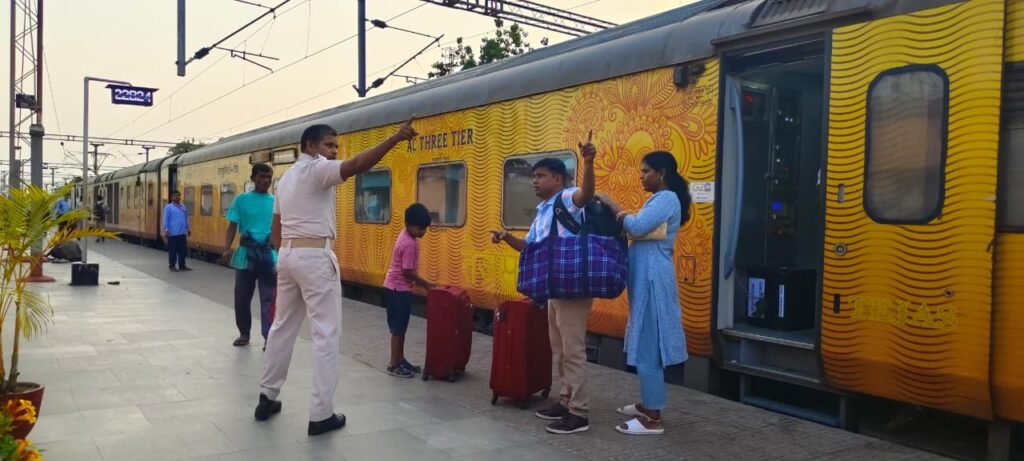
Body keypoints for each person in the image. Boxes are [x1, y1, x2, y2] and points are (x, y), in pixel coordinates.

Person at [255, 118, 418, 437]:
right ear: (310, 146)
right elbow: (356, 165)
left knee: (281, 327)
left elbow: (276, 226)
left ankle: (267, 396)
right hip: (315, 256)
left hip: (287, 254)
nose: (334, 151)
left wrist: (285, 257)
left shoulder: (284, 180)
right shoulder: (317, 168)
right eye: (329, 145)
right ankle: (321, 414)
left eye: (336, 146)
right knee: (326, 335)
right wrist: (394, 139)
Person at [489, 134, 597, 435]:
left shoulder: (568, 198)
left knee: (572, 350)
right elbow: (530, 248)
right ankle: (565, 400)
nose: (534, 181)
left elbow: (587, 194)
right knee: (559, 349)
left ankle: (579, 413)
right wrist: (507, 238)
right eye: (533, 176)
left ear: (558, 179)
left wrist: (588, 162)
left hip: (572, 285)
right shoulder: (543, 211)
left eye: (540, 176)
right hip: (554, 287)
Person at [596, 151, 691, 436]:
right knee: (645, 344)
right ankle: (648, 403)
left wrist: (612, 205)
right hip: (647, 280)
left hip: (652, 281)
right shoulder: (661, 199)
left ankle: (652, 417)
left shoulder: (666, 198)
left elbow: (636, 226)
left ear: (662, 173)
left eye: (646, 171)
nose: (641, 176)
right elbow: (641, 231)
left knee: (648, 348)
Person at [222, 164, 277, 349]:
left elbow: (281, 228)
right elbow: (232, 226)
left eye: (269, 177)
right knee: (242, 296)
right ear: (253, 178)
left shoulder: (276, 201)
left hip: (269, 254)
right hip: (246, 254)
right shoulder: (241, 200)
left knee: (270, 297)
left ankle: (269, 336)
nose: (266, 180)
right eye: (262, 177)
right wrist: (226, 248)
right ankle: (244, 333)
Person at [382, 203, 434, 378]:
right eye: (420, 228)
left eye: (425, 228)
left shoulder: (405, 235)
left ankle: (400, 359)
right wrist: (426, 284)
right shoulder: (409, 243)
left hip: (398, 288)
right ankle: (394, 364)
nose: (423, 232)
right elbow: (407, 271)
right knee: (398, 330)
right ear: (408, 225)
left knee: (401, 328)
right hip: (398, 290)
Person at [163, 191, 192, 272]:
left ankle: (182, 266)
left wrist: (188, 228)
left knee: (182, 251)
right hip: (173, 233)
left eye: (179, 195)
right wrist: (166, 229)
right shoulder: (168, 207)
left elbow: (186, 218)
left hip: (182, 233)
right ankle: (172, 266)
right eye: (175, 195)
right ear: (171, 197)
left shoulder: (183, 207)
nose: (177, 197)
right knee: (173, 251)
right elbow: (166, 219)